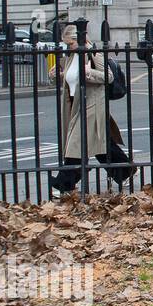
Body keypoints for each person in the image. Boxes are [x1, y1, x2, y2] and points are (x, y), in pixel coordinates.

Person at [49, 24, 131, 195]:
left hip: (91, 105)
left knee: (75, 143)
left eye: (70, 43)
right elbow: (71, 78)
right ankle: (125, 171)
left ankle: (65, 184)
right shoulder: (71, 56)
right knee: (99, 145)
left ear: (79, 40)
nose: (68, 47)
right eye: (66, 44)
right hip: (74, 105)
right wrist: (58, 75)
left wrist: (89, 73)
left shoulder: (93, 54)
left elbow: (108, 77)